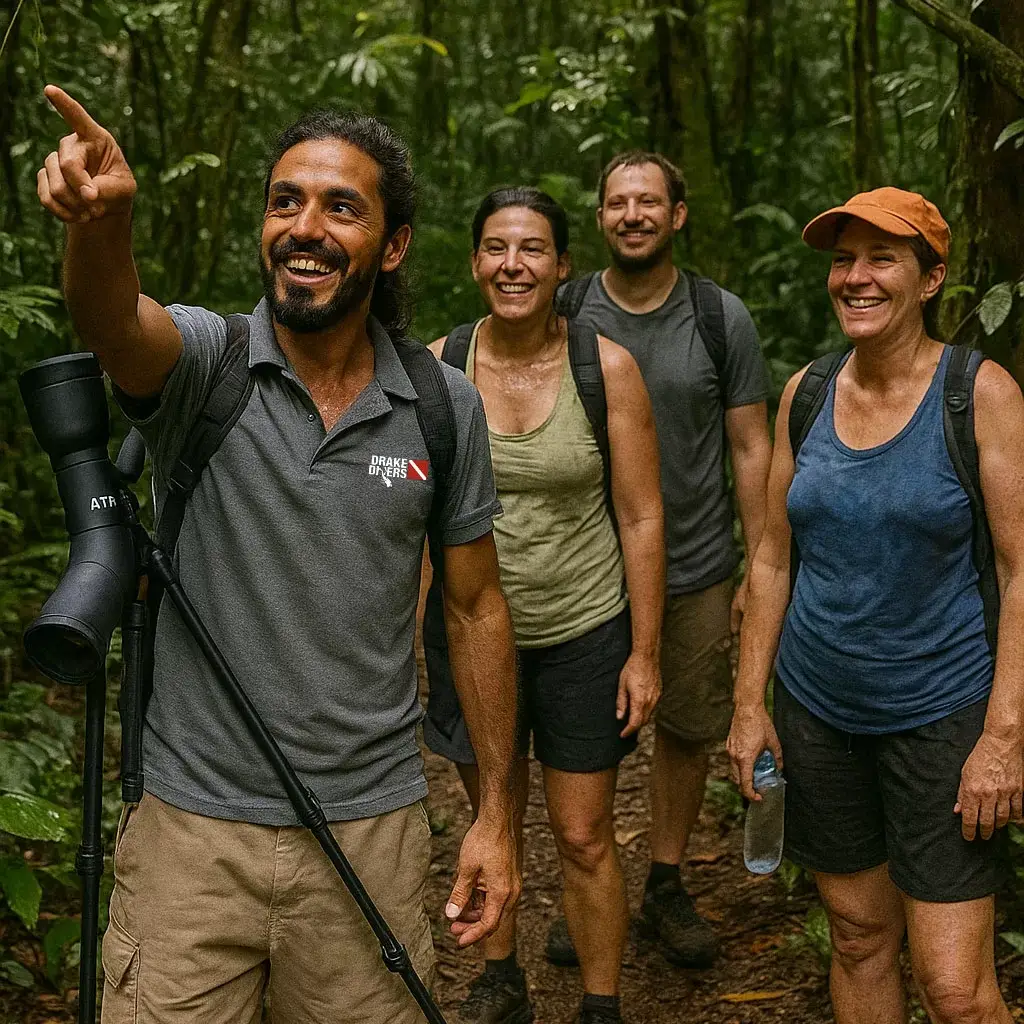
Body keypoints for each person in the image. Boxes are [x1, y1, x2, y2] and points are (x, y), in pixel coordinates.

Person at [36, 85, 521, 1023]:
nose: (306, 227)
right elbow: (111, 322)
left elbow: (475, 607)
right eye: (285, 200)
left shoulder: (440, 404)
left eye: (342, 207)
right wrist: (104, 226)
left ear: (393, 245)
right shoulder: (205, 366)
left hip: (370, 831)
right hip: (191, 835)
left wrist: (497, 817)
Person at [727, 187, 1024, 1024]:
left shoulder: (981, 394)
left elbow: (1021, 568)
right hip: (820, 714)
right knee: (858, 939)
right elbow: (774, 556)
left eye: (880, 259)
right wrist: (749, 704)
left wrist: (1004, 737)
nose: (854, 278)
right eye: (842, 260)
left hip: (944, 716)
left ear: (929, 281)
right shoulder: (808, 393)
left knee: (958, 992)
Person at [423, 187, 665, 1024]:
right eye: (496, 248)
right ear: (475, 262)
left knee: (584, 834)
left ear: (564, 266)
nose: (513, 265)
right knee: (494, 811)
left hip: (583, 629)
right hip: (469, 632)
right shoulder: (439, 367)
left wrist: (645, 653)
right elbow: (415, 526)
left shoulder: (607, 368)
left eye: (532, 250)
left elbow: (640, 515)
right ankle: (500, 975)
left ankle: (601, 1000)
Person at [547, 151, 772, 969]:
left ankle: (667, 881)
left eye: (649, 202)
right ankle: (588, 881)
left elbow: (751, 445)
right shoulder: (564, 308)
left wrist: (759, 559)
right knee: (585, 734)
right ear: (600, 218)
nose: (632, 215)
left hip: (696, 564)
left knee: (686, 729)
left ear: (677, 214)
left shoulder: (719, 317)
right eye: (616, 203)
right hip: (587, 571)